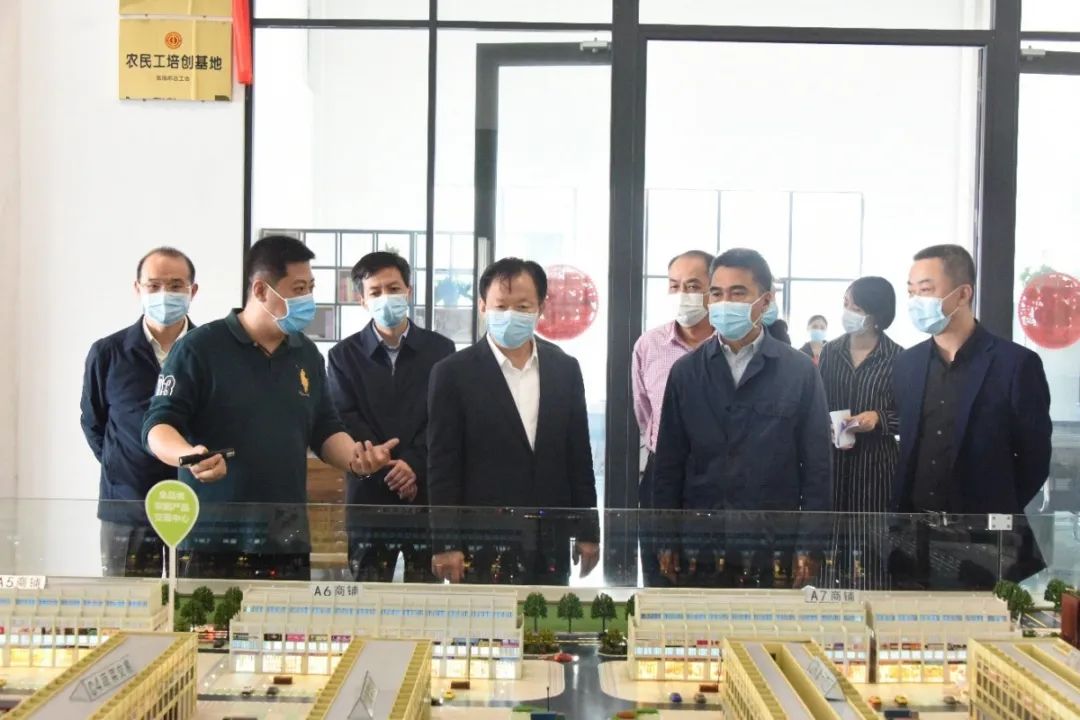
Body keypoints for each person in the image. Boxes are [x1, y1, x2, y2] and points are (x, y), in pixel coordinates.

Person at [142, 235, 371, 581]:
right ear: (261, 290)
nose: (307, 299)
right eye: (298, 289)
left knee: (285, 618)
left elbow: (325, 428)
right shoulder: (199, 348)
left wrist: (356, 458)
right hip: (213, 538)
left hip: (286, 538)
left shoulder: (307, 354)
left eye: (310, 288)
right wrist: (189, 456)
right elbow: (158, 425)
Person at [652, 248, 831, 588]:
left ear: (765, 301)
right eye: (717, 293)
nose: (724, 303)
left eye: (738, 293)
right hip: (700, 543)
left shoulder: (799, 372)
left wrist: (810, 545)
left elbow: (818, 468)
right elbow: (668, 464)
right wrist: (664, 538)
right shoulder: (686, 372)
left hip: (772, 544)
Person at [418, 258, 599, 585]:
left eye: (523, 306)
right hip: (483, 540)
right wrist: (445, 543)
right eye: (501, 306)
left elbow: (579, 456)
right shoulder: (452, 373)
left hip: (550, 538)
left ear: (541, 307)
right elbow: (442, 466)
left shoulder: (565, 368)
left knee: (548, 616)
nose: (511, 314)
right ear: (483, 306)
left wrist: (588, 531)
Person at [893, 244, 1051, 585]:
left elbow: (1035, 460)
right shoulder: (907, 364)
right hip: (914, 537)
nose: (916, 301)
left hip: (985, 541)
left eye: (925, 290)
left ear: (963, 293)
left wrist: (991, 508)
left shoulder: (1015, 365)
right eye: (911, 292)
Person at [327, 251, 455, 582]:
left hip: (424, 494)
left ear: (408, 291)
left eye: (394, 288)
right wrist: (388, 465)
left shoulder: (441, 350)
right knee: (368, 594)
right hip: (369, 497)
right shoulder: (342, 356)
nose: (386, 297)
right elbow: (345, 417)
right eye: (376, 291)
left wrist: (412, 464)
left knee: (424, 596)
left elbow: (443, 418)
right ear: (362, 300)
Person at [81, 247, 198, 577]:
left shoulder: (209, 352)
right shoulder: (108, 353)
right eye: (154, 285)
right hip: (127, 508)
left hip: (194, 506)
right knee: (126, 600)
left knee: (195, 601)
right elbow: (94, 422)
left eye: (175, 285)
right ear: (137, 289)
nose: (164, 294)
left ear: (193, 290)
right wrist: (123, 463)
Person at [632, 250, 715, 585]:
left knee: (711, 578)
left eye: (693, 286)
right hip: (661, 474)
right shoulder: (649, 345)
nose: (683, 294)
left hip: (717, 477)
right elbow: (644, 412)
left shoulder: (729, 346)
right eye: (674, 285)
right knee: (660, 578)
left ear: (713, 290)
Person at [817, 276, 901, 589]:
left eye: (856, 307)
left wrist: (879, 418)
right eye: (846, 304)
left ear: (875, 314)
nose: (848, 312)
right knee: (832, 544)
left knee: (872, 547)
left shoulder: (898, 358)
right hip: (834, 461)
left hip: (875, 467)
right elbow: (818, 401)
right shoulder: (831, 351)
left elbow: (912, 416)